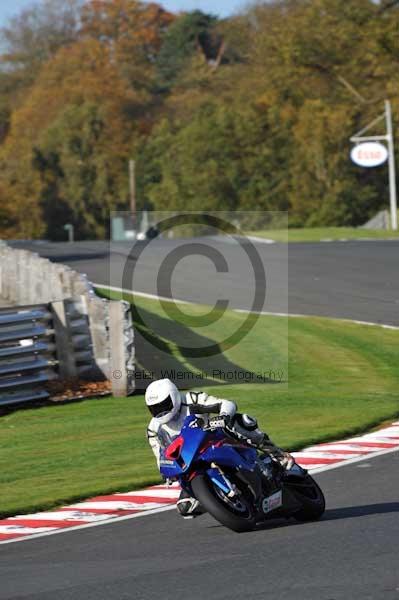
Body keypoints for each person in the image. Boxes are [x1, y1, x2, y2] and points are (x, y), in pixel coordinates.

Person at [145, 378, 294, 519]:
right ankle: (220, 502)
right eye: (155, 409)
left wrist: (223, 416)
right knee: (185, 507)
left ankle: (278, 455)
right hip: (191, 463)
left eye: (164, 405)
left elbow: (227, 404)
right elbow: (160, 457)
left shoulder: (190, 399)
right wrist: (167, 473)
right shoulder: (153, 429)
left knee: (240, 421)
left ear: (175, 397)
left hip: (212, 439)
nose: (161, 411)